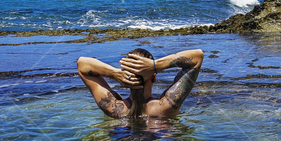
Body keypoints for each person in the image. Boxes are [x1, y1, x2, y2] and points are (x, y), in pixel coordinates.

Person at [76, 48, 204, 119]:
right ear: (153, 78)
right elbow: (197, 57)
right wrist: (156, 66)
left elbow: (82, 64)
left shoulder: (113, 108)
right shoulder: (166, 107)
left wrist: (114, 73)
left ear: (124, 77)